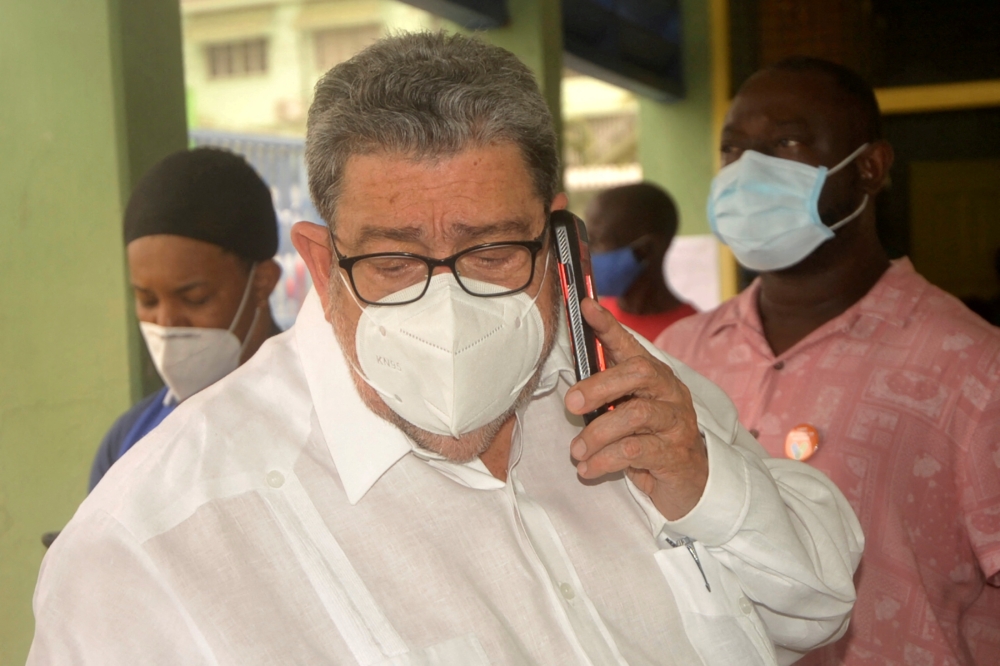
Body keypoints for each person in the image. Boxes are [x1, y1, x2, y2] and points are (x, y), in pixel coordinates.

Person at [29, 34, 863, 665]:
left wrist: (706, 484)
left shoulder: (625, 388)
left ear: (558, 239)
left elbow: (818, 604)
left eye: (491, 250)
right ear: (320, 262)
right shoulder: (151, 552)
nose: (448, 306)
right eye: (393, 262)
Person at [656, 57, 1000, 665]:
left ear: (870, 168)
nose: (746, 169)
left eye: (785, 143)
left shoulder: (974, 369)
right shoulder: (680, 355)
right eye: (732, 148)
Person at [88, 148, 283, 490]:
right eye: (147, 300)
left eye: (195, 298)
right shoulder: (127, 442)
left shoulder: (319, 417)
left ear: (262, 282)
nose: (166, 322)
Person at [586, 183, 697, 342]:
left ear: (646, 249)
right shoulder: (593, 317)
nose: (585, 251)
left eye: (597, 241)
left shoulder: (695, 337)